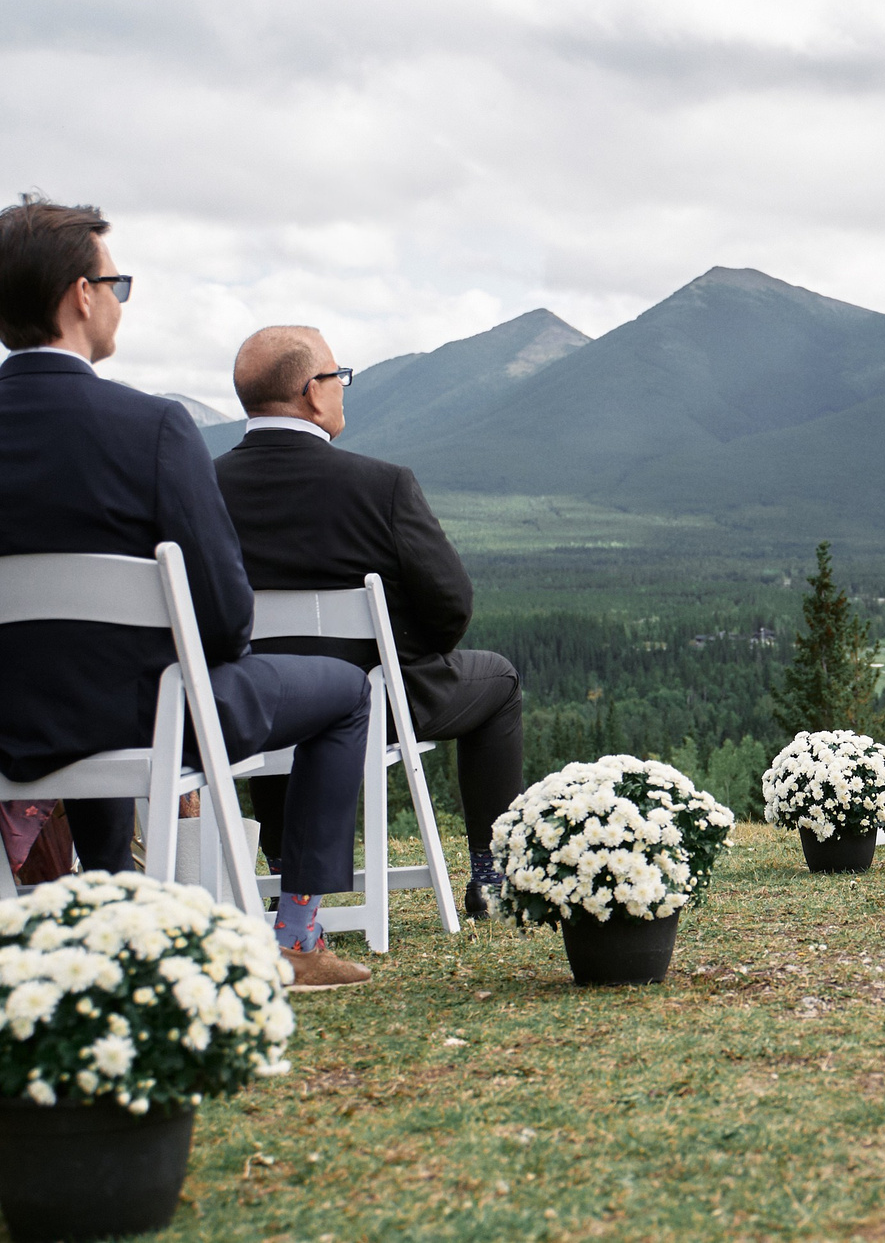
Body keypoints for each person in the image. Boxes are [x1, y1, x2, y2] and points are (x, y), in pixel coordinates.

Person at [0, 199, 373, 987]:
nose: (117, 299)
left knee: (84, 678)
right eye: (117, 282)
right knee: (342, 691)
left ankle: (104, 917)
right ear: (80, 295)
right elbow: (225, 614)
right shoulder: (154, 428)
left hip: (11, 719)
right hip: (143, 715)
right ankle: (298, 938)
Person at [215, 325, 525, 919]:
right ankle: (491, 873)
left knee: (274, 676)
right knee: (502, 681)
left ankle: (286, 874)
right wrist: (408, 656)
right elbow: (451, 605)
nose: (341, 389)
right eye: (339, 377)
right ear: (312, 391)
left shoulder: (200, 485)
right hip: (382, 706)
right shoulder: (380, 486)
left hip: (249, 708)